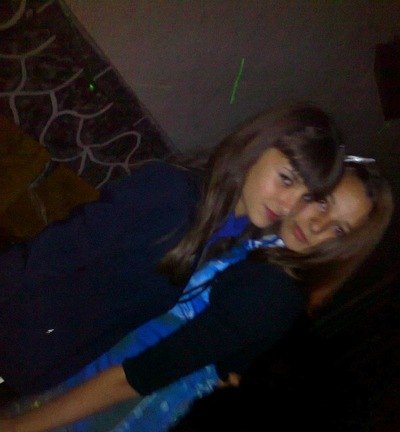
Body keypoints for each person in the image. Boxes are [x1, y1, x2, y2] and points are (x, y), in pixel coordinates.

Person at [0, 158, 394, 432]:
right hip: (88, 379)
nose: (318, 225)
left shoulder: (273, 293)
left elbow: (136, 379)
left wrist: (14, 429)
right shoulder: (265, 246)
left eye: (338, 229)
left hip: (97, 415)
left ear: (343, 247)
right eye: (322, 202)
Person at [0, 102, 343, 396]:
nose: (288, 205)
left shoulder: (236, 248)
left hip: (42, 371)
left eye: (306, 197)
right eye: (286, 179)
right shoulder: (171, 192)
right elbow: (49, 254)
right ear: (256, 147)